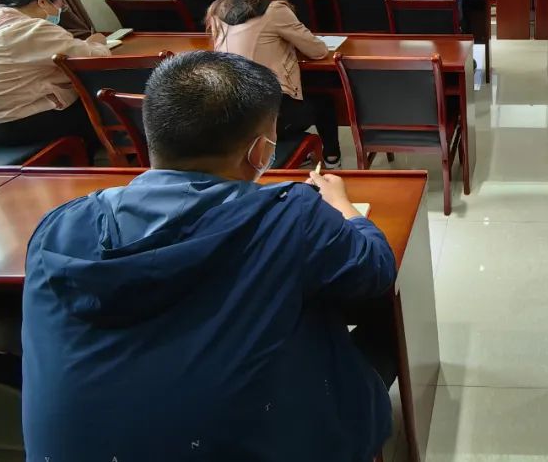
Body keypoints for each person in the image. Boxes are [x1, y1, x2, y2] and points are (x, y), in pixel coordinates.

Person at [21, 51, 396, 460]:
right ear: (261, 151)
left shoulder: (58, 227)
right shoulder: (291, 214)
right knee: (378, 332)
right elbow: (376, 269)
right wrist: (341, 205)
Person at [208, 0, 340, 166]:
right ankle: (332, 158)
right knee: (324, 103)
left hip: (232, 113)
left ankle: (282, 149)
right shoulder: (274, 10)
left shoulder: (217, 11)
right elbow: (318, 51)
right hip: (269, 116)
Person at [0, 0, 109, 153]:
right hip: (12, 125)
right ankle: (111, 158)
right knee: (100, 105)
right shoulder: (31, 29)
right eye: (60, 7)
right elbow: (95, 59)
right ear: (43, 2)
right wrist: (98, 42)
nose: (59, 13)